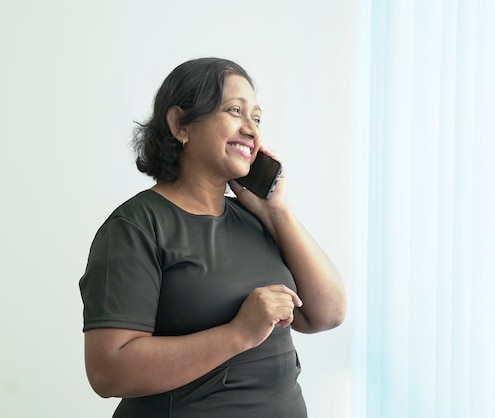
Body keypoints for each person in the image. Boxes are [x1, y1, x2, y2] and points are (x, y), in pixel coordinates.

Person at [79, 57, 346, 417]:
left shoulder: (256, 219)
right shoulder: (136, 227)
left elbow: (327, 313)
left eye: (256, 117)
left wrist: (276, 212)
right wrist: (239, 334)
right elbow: (108, 370)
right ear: (180, 124)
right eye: (234, 110)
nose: (251, 130)